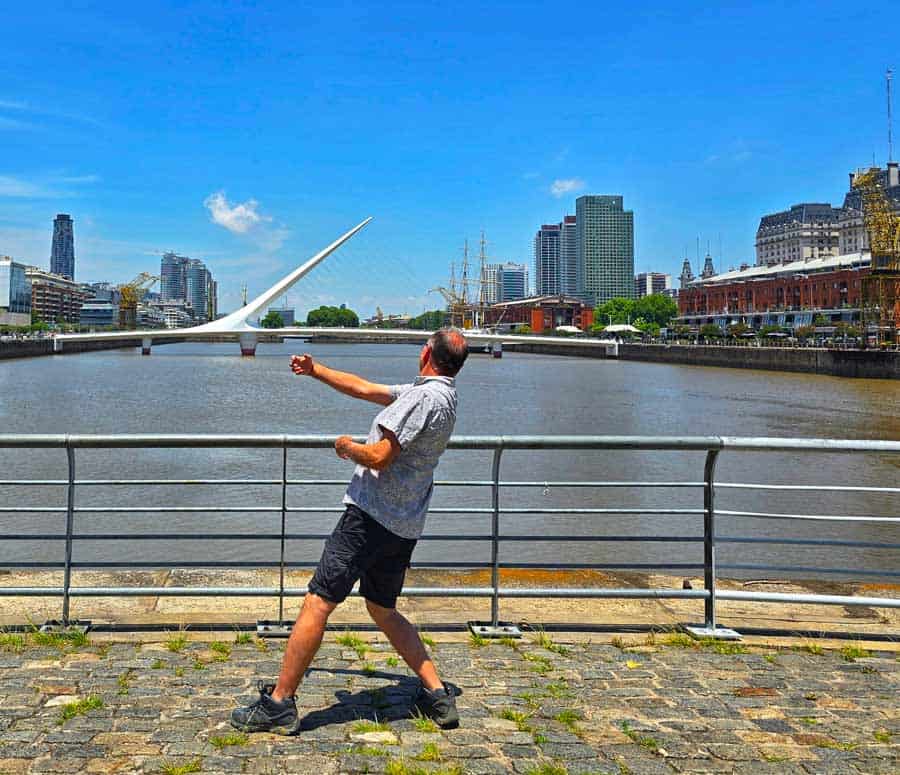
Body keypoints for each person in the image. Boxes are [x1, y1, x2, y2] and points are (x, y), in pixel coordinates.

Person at [231, 328, 469, 735]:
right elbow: (367, 389)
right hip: (405, 522)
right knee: (382, 608)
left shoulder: (420, 398)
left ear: (426, 352)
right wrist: (315, 370)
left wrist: (346, 447)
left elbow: (378, 457)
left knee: (318, 601)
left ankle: (279, 703)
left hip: (369, 519)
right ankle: (436, 693)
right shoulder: (441, 395)